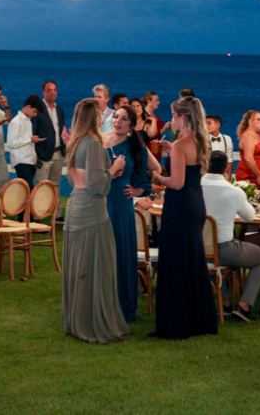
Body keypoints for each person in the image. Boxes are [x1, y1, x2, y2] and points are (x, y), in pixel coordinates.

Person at [61, 98, 130, 343]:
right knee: (93, 265)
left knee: (81, 265)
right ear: (95, 118)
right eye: (101, 115)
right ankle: (91, 321)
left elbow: (75, 180)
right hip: (91, 210)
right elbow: (97, 186)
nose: (105, 118)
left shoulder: (76, 143)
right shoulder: (91, 144)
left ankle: (77, 317)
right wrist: (114, 167)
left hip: (76, 205)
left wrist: (106, 171)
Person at [150, 96, 217, 339]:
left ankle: (176, 323)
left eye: (173, 115)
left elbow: (176, 183)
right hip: (196, 203)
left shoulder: (180, 144)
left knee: (176, 262)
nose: (171, 120)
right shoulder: (201, 141)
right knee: (193, 261)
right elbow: (189, 174)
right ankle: (198, 319)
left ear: (183, 117)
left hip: (179, 207)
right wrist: (172, 152)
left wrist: (157, 176)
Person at [202, 151, 260, 322]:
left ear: (205, 165)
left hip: (196, 248)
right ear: (226, 169)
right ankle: (244, 305)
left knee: (212, 255)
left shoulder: (193, 187)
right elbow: (249, 217)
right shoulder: (234, 192)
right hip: (225, 249)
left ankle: (225, 302)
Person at [103, 105, 153, 323]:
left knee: (120, 251)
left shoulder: (137, 148)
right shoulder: (101, 141)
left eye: (124, 119)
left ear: (132, 125)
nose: (118, 121)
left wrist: (137, 190)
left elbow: (146, 179)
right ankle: (99, 303)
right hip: (98, 201)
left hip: (121, 206)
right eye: (116, 117)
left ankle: (122, 305)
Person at [32, 81, 67, 192]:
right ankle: (40, 209)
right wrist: (35, 155)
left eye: (54, 90)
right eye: (49, 90)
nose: (52, 92)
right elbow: (33, 132)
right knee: (41, 186)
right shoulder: (37, 110)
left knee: (55, 185)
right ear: (43, 92)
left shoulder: (60, 111)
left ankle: (54, 209)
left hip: (58, 154)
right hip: (43, 155)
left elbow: (60, 131)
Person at [7, 95, 44, 191]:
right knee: (28, 189)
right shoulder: (15, 122)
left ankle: (24, 206)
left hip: (29, 160)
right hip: (21, 160)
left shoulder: (28, 122)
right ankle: (26, 206)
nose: (35, 114)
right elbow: (10, 143)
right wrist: (30, 140)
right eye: (34, 111)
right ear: (28, 107)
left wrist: (34, 156)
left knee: (25, 191)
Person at [235, 110, 260, 188]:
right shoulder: (248, 136)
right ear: (250, 122)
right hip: (250, 175)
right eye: (258, 119)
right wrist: (259, 175)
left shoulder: (259, 134)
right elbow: (248, 158)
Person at [206, 114, 233, 180]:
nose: (206, 126)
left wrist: (229, 179)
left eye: (209, 123)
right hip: (206, 176)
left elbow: (229, 160)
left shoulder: (227, 139)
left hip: (221, 177)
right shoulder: (202, 139)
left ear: (218, 125)